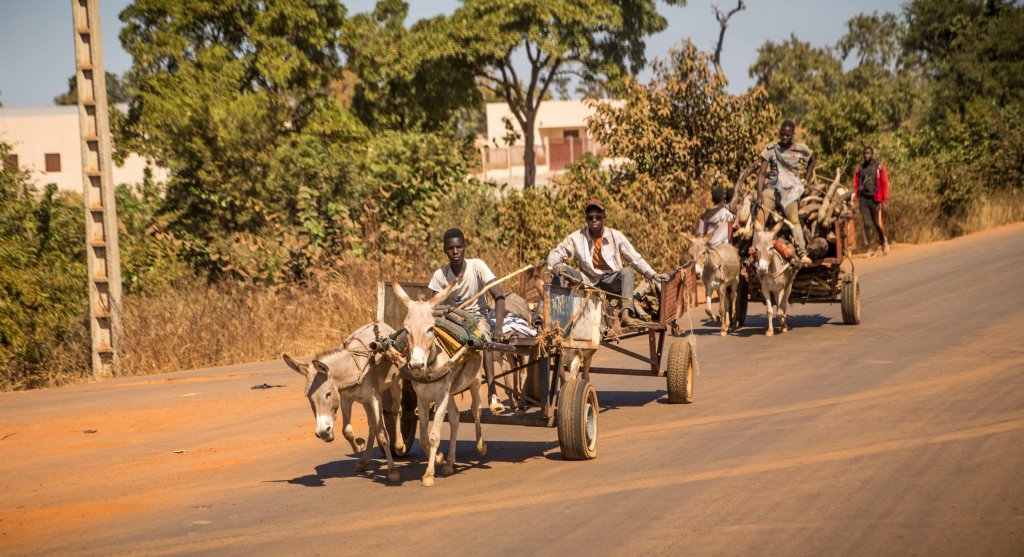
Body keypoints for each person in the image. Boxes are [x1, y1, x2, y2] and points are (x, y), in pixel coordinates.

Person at [546, 199, 670, 327]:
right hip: (587, 280)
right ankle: (557, 318)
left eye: (598, 217)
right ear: (586, 220)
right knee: (561, 269)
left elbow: (635, 259)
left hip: (611, 281)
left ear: (603, 217)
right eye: (590, 217)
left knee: (627, 272)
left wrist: (653, 275)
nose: (594, 220)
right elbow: (556, 253)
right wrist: (556, 264)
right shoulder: (577, 237)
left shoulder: (615, 235)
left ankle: (626, 315)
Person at [428, 228, 506, 411]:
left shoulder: (477, 266)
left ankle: (492, 393)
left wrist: (499, 327)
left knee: (482, 339)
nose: (455, 252)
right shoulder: (440, 275)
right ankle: (432, 388)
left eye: (459, 247)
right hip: (453, 318)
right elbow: (432, 307)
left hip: (478, 318)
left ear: (465, 247)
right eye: (450, 248)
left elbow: (499, 296)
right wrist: (442, 312)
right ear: (444, 250)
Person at [755, 120, 815, 266]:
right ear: (779, 133)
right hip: (772, 190)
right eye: (782, 134)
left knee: (794, 221)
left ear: (793, 134)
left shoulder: (801, 149)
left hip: (790, 191)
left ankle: (802, 253)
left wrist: (806, 180)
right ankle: (755, 250)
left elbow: (812, 161)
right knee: (760, 219)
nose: (784, 137)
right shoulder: (771, 149)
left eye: (788, 135)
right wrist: (759, 195)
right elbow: (762, 174)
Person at [853, 146, 890, 256]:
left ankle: (883, 241)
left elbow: (884, 182)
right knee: (866, 224)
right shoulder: (860, 168)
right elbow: (856, 184)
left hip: (876, 199)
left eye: (868, 153)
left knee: (878, 224)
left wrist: (885, 200)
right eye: (864, 153)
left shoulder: (878, 166)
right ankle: (870, 248)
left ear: (872, 154)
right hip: (864, 199)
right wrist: (855, 200)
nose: (866, 155)